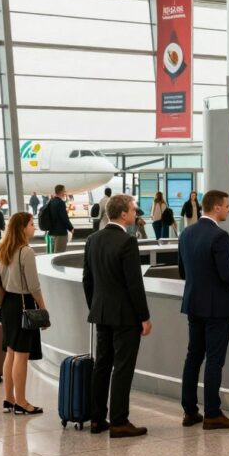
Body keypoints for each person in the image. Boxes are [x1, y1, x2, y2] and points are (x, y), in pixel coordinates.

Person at [177, 189, 229, 430]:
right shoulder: (220, 236)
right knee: (214, 360)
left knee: (193, 357)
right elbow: (226, 274)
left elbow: (182, 271)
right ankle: (212, 413)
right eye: (227, 206)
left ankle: (190, 411)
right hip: (217, 308)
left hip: (193, 303)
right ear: (217, 207)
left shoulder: (186, 233)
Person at [84, 194, 152, 438]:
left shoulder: (93, 239)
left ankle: (97, 419)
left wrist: (95, 306)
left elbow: (87, 280)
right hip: (125, 316)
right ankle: (120, 421)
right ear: (123, 214)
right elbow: (134, 285)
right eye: (134, 210)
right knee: (122, 368)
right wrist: (144, 317)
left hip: (101, 313)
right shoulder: (127, 242)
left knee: (102, 365)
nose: (136, 214)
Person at [0, 212, 47, 415]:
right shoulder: (26, 252)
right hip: (23, 304)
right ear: (22, 228)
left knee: (10, 352)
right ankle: (22, 402)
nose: (34, 228)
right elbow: (34, 286)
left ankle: (9, 399)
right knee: (21, 355)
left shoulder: (3, 249)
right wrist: (43, 308)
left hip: (7, 304)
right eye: (31, 224)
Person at [47, 185, 73, 254]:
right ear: (61, 191)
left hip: (53, 231)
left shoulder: (51, 202)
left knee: (54, 252)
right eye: (64, 190)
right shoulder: (60, 203)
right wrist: (71, 228)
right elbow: (64, 218)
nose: (65, 192)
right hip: (60, 232)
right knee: (60, 253)